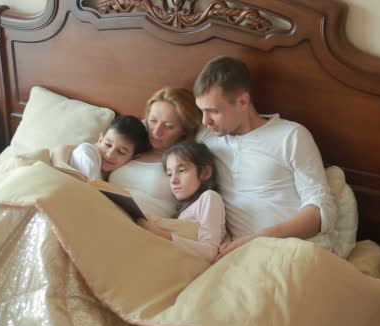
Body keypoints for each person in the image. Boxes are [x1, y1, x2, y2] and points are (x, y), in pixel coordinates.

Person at [193, 56, 338, 262]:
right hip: (238, 258)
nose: (205, 121)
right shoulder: (206, 139)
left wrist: (258, 239)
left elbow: (322, 212)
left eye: (213, 111)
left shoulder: (290, 135)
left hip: (294, 252)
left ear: (243, 101)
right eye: (201, 111)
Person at [109, 87, 202, 218]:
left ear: (184, 131)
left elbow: (201, 208)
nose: (156, 131)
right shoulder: (128, 149)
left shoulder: (187, 163)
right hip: (103, 209)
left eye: (169, 126)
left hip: (144, 226)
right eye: (153, 121)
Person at [137, 140, 226, 262]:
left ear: (205, 172)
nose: (173, 180)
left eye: (182, 170)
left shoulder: (209, 197)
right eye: (169, 174)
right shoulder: (181, 211)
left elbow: (210, 251)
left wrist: (159, 234)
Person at [51, 115, 151, 181]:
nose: (110, 154)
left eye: (121, 152)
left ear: (133, 158)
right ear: (100, 140)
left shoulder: (116, 178)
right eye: (108, 144)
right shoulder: (87, 152)